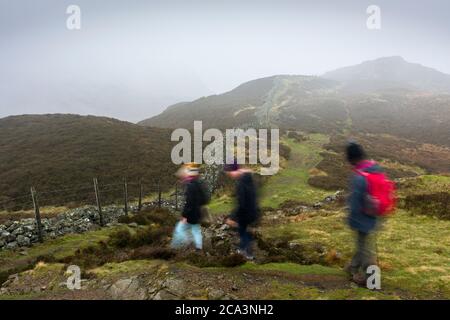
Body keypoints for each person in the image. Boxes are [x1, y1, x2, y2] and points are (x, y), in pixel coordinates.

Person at [345, 142, 380, 284]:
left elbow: (355, 202)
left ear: (352, 159)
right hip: (373, 214)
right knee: (362, 243)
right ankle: (353, 266)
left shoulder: (360, 177)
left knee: (365, 248)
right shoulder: (372, 168)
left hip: (363, 217)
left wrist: (351, 219)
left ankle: (371, 279)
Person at [224, 163, 260, 260]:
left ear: (234, 170)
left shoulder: (241, 183)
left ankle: (246, 253)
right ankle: (246, 251)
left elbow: (241, 203)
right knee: (243, 231)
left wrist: (233, 218)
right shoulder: (248, 178)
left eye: (230, 172)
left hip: (246, 212)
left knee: (242, 231)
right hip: (252, 211)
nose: (230, 175)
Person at [171, 163, 208, 251]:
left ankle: (178, 246)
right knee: (196, 230)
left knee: (179, 228)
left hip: (191, 214)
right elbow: (205, 199)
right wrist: (199, 205)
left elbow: (189, 203)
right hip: (198, 213)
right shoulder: (199, 184)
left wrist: (185, 215)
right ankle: (199, 249)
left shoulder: (190, 186)